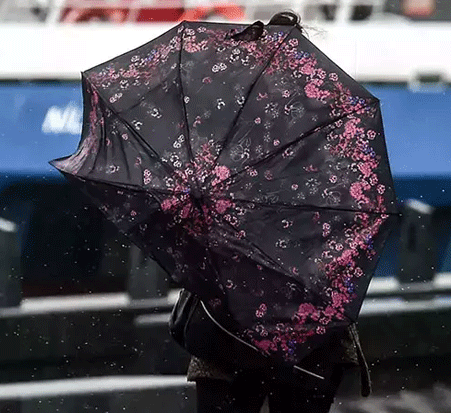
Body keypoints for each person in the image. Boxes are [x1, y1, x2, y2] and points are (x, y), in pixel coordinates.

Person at [186, 12, 371, 413]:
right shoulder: (336, 138)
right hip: (308, 329)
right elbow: (354, 230)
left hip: (233, 328)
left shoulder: (218, 139)